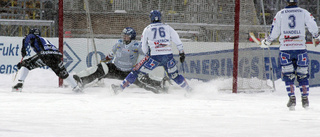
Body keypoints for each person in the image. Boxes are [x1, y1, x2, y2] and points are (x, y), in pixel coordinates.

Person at [111, 10, 192, 95]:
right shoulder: (168, 27)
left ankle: (120, 88)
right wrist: (181, 52)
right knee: (175, 76)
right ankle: (189, 90)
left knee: (135, 71)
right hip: (168, 56)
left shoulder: (147, 29)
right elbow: (177, 40)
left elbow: (143, 45)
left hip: (154, 57)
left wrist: (147, 55)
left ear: (151, 18)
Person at [261, 0, 319, 110]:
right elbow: (312, 24)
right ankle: (305, 98)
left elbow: (275, 30)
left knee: (288, 75)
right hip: (300, 48)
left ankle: (292, 98)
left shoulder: (280, 13)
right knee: (303, 75)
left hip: (285, 49)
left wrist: (268, 41)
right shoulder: (303, 12)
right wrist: (316, 36)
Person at [73, 27, 169, 93]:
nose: (124, 37)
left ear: (131, 36)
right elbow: (110, 55)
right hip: (115, 69)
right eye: (124, 35)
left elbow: (147, 51)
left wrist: (158, 48)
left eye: (126, 35)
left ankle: (160, 84)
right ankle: (82, 81)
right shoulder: (119, 43)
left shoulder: (136, 45)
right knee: (102, 68)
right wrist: (103, 61)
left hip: (128, 71)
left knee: (142, 81)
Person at [12, 28, 82, 92]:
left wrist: (23, 49)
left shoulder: (33, 37)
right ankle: (76, 88)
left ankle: (20, 84)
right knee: (63, 74)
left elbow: (28, 37)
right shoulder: (43, 39)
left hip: (45, 55)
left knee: (26, 64)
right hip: (56, 55)